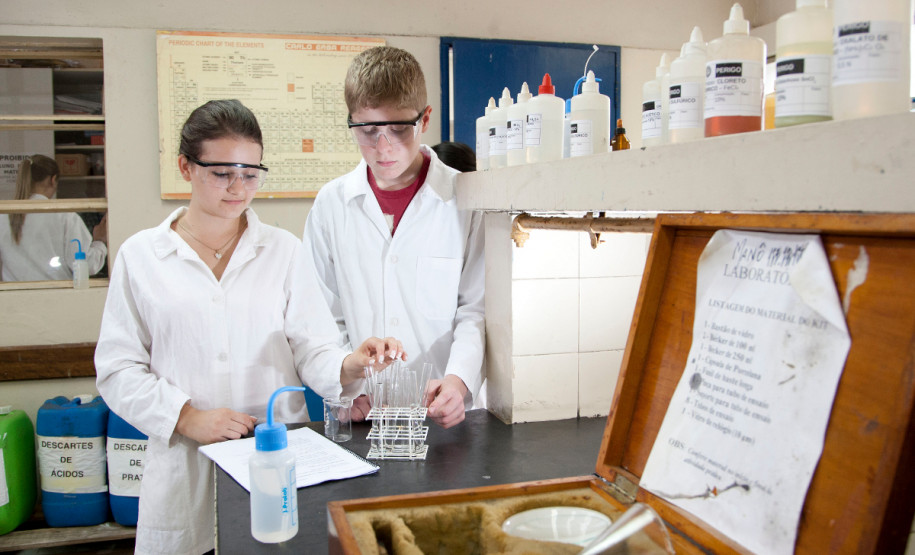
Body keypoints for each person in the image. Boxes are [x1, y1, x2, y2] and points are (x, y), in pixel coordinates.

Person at [95, 99, 402, 555]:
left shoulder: (283, 251)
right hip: (185, 470)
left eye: (251, 173)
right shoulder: (142, 257)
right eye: (222, 173)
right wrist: (187, 417)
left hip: (276, 460)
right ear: (185, 167)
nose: (238, 187)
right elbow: (117, 369)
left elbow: (312, 347)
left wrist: (349, 364)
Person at [302, 46, 485, 430]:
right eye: (368, 130)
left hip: (445, 414)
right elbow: (319, 317)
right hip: (363, 413)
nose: (383, 147)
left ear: (425, 119)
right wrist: (346, 382)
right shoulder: (331, 205)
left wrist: (458, 381)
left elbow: (475, 310)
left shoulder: (467, 200)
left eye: (399, 129)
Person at [0, 155, 107, 281]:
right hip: (55, 291)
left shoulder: (4, 216)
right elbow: (86, 265)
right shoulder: (65, 216)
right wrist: (99, 241)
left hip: (13, 292)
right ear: (53, 180)